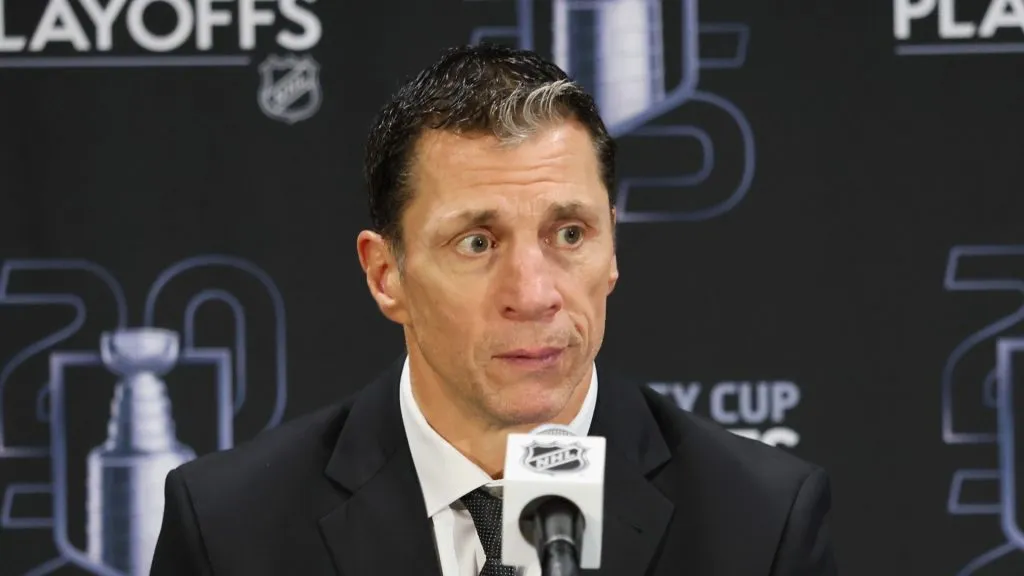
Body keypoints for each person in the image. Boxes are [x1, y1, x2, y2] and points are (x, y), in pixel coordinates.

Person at [150, 43, 837, 576]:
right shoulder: (232, 528)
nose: (534, 294)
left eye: (570, 234)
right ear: (386, 274)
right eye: (477, 242)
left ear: (613, 249)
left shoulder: (759, 520)